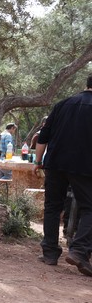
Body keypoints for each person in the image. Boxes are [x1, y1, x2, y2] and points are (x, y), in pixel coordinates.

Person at [34, 74, 92, 276]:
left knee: (52, 207)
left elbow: (43, 136)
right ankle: (79, 251)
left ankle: (50, 253)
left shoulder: (63, 104)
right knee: (89, 208)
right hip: (85, 167)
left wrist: (39, 161)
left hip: (55, 164)